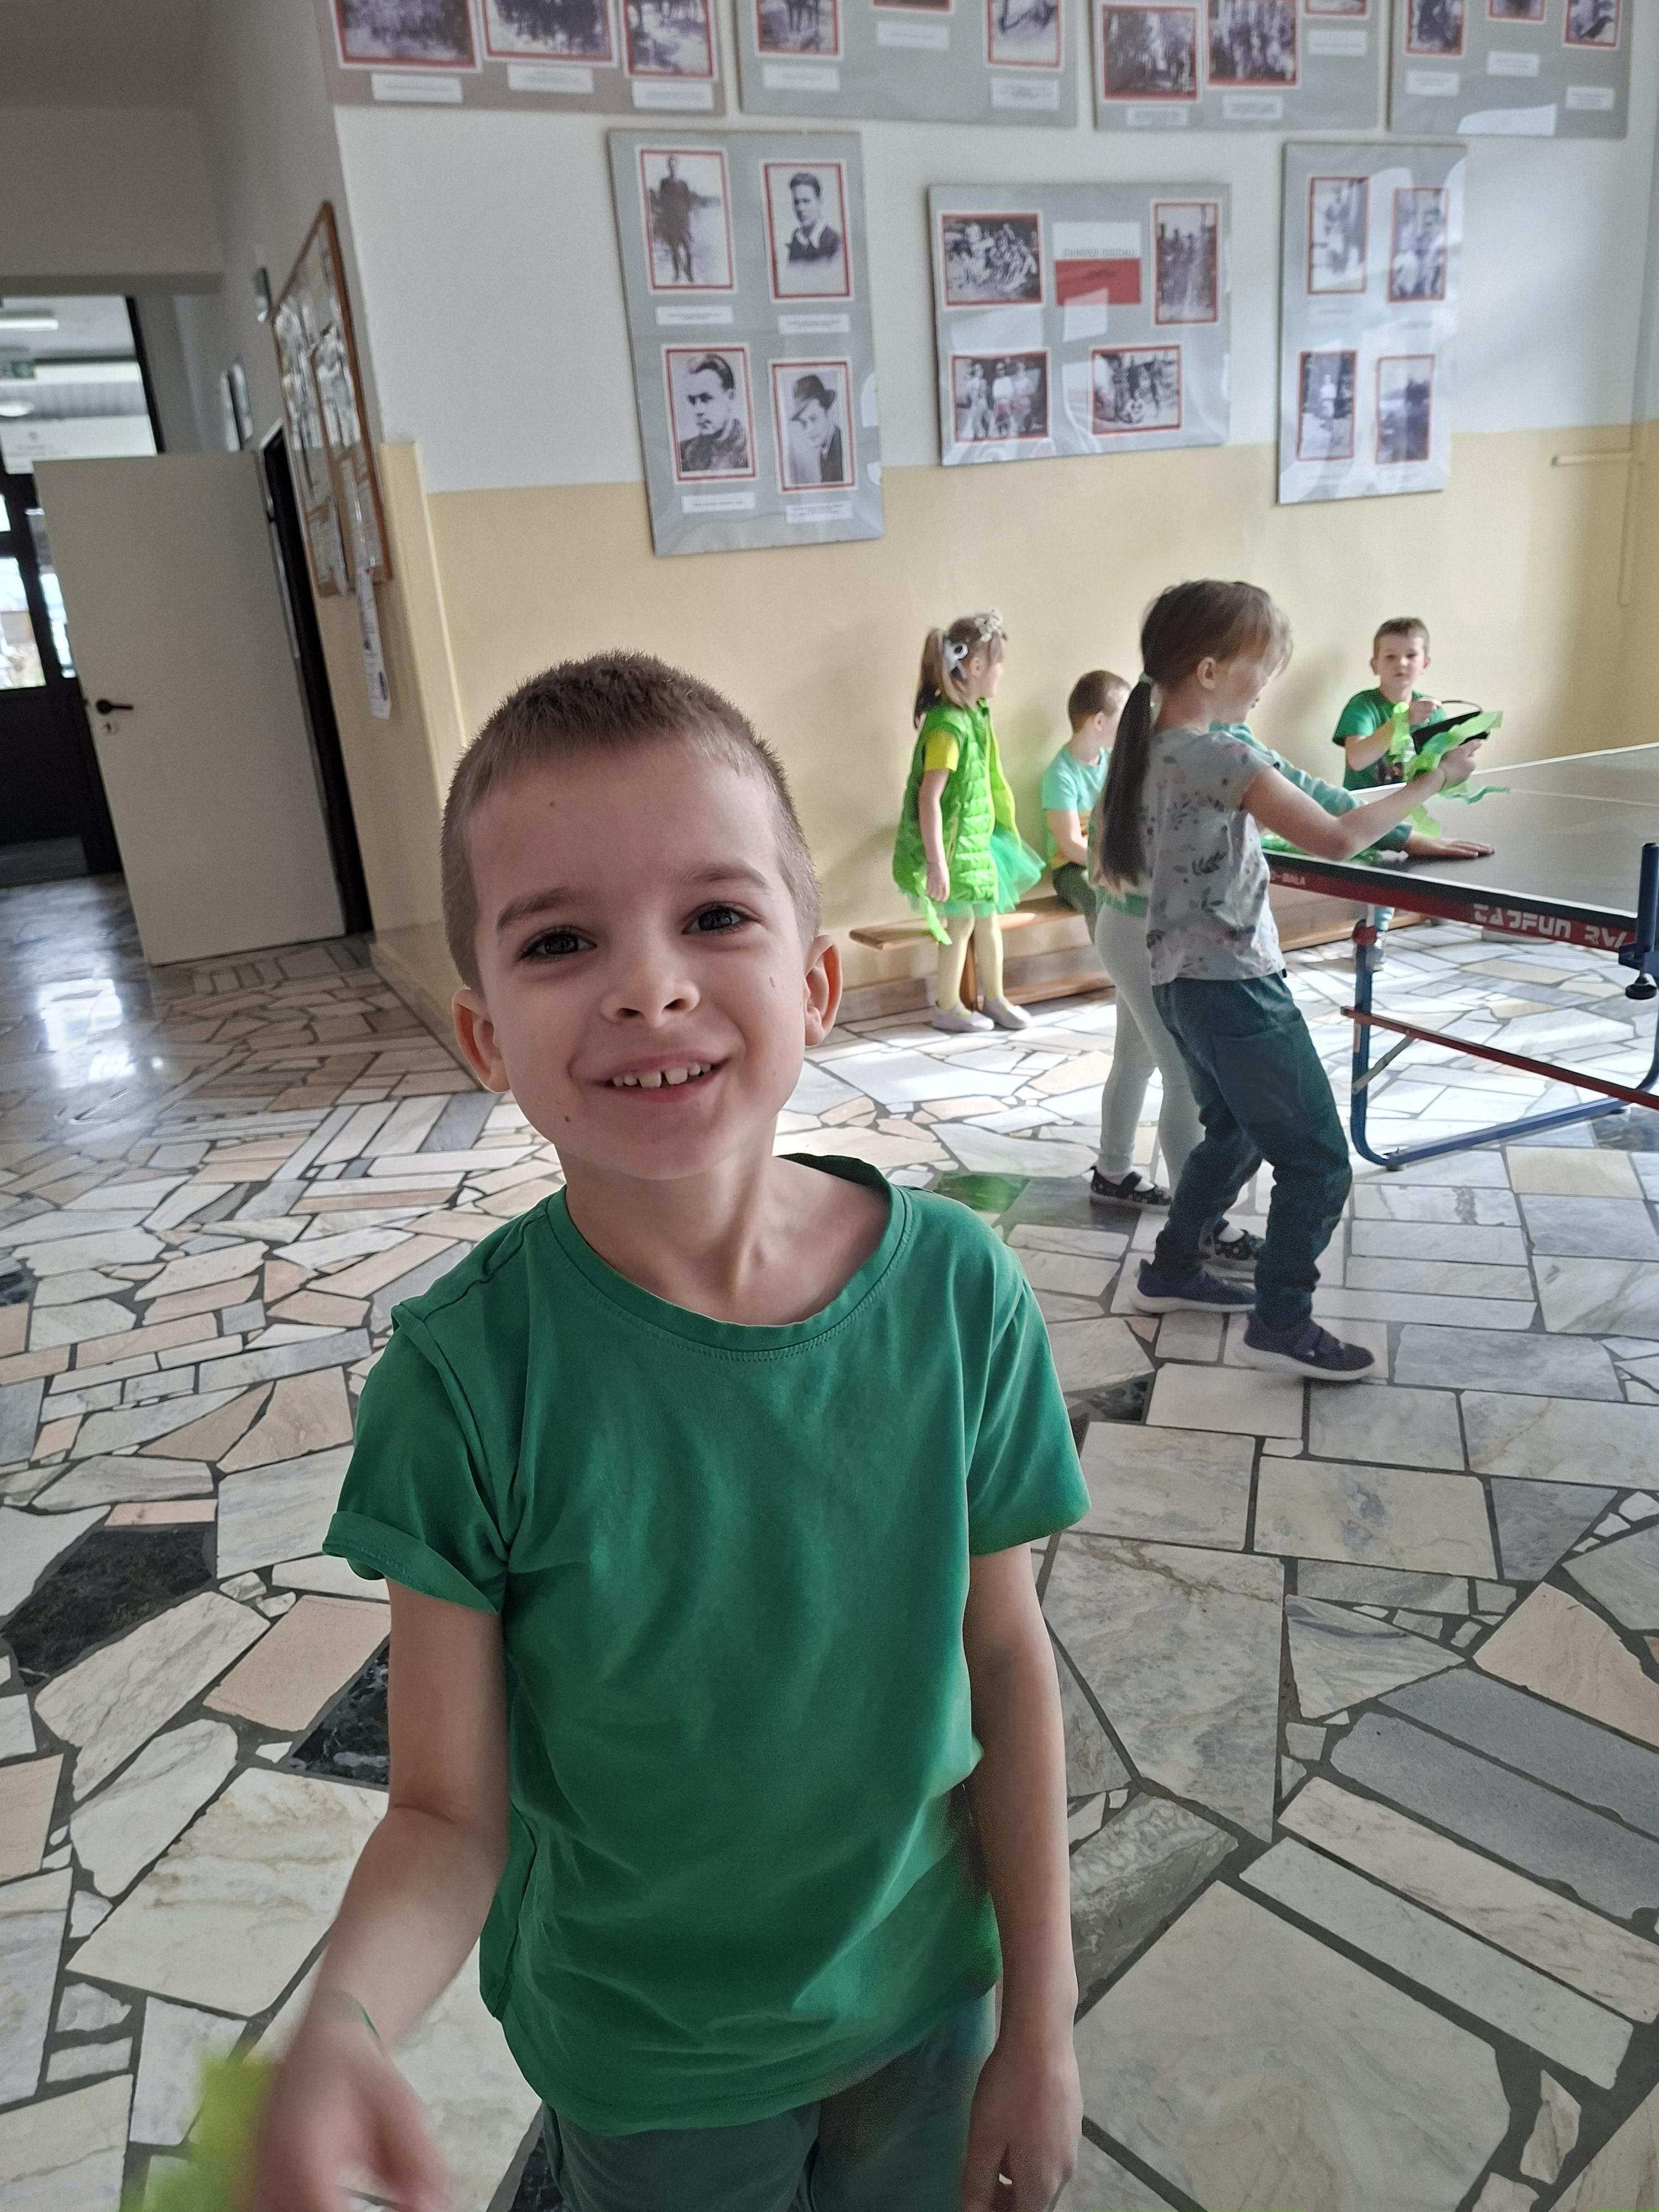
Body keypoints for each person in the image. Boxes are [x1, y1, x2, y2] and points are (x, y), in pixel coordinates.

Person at [245, 654, 1086, 2212]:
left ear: (815, 982)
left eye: (714, 914)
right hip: (648, 2059)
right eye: (561, 940)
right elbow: (445, 1810)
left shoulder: (959, 1297)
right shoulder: (465, 1382)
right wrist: (345, 2026)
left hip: (928, 1994)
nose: (650, 986)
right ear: (486, 1037)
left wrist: (1042, 2022)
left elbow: (1007, 1660)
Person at [1095, 579, 1488, 1379]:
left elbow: (1322, 802)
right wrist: (1433, 782)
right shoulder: (1223, 755)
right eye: (1261, 666)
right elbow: (1336, 837)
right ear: (1210, 670)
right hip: (1238, 985)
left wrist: (1403, 831)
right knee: (1318, 1160)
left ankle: (1173, 1268)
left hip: (1179, 980)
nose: (1267, 681)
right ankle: (1282, 1317)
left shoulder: (1148, 748)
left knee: (1234, 1133)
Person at [892, 611, 1045, 1035]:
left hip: (977, 844)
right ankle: (948, 1006)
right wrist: (937, 863)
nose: (1001, 674)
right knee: (959, 927)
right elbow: (929, 797)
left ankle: (996, 997)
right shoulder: (948, 728)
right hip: (955, 848)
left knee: (988, 921)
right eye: (998, 665)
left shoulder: (974, 715)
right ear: (975, 667)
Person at [1332, 616, 1438, 957]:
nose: (1401, 663)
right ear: (1375, 664)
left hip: (1410, 807)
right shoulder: (1363, 706)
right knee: (1382, 871)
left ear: (1425, 663)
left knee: (1442, 844)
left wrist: (1463, 748)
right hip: (1366, 811)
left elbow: (1440, 768)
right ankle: (1374, 933)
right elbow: (1358, 758)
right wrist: (1401, 721)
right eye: (1390, 656)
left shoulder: (1432, 711)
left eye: (1411, 655)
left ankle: (1441, 904)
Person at [1043, 670, 1125, 927]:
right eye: (1122, 716)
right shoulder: (1060, 775)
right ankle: (1108, 951)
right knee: (1098, 896)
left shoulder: (1113, 763)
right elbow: (1070, 845)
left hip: (1108, 857)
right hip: (1072, 868)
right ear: (1099, 722)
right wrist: (1108, 867)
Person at [677, 354, 749, 476]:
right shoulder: (682, 453)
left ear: (730, 397)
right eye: (692, 401)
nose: (697, 410)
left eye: (706, 399)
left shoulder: (751, 450)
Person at [787, 372, 844, 486]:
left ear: (829, 414)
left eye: (814, 419)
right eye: (803, 423)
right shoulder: (825, 452)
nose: (809, 430)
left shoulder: (842, 449)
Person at [654, 155, 696, 285]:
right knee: (674, 250)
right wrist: (664, 221)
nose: (673, 167)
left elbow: (688, 203)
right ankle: (677, 274)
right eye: (671, 165)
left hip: (683, 221)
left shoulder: (683, 184)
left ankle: (690, 273)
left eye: (674, 165)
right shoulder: (664, 183)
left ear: (677, 166)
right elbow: (662, 201)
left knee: (688, 248)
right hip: (671, 222)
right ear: (668, 167)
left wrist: (687, 221)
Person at [785, 172, 841, 267]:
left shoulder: (835, 242)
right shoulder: (796, 237)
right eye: (796, 202)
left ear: (820, 202)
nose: (801, 208)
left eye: (806, 201)